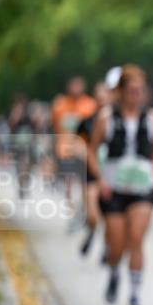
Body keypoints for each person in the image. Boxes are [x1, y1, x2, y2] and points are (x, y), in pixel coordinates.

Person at [87, 65, 153, 305]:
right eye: (132, 90)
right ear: (122, 92)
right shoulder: (106, 118)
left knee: (136, 238)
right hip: (114, 189)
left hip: (143, 187)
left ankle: (134, 295)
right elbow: (91, 151)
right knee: (116, 245)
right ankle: (114, 271)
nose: (137, 95)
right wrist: (100, 179)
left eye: (140, 91)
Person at [52, 75, 98, 224]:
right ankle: (71, 208)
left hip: (83, 149)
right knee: (69, 179)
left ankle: (84, 209)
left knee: (85, 180)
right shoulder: (60, 105)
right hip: (65, 149)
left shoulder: (90, 105)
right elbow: (55, 127)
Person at [76, 80, 113, 257]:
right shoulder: (87, 121)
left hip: (111, 173)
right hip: (92, 170)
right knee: (92, 213)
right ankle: (91, 230)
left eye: (105, 95)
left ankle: (107, 245)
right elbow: (77, 141)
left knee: (109, 215)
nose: (101, 99)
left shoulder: (116, 120)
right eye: (98, 96)